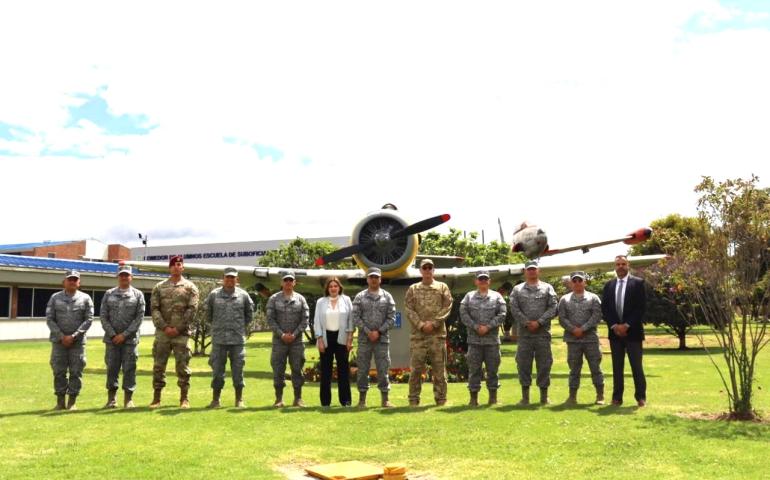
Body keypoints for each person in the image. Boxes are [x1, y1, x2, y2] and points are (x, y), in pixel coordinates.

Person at [149, 255, 199, 409]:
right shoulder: (159, 287)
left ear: (182, 267)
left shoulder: (190, 287)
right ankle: (156, 398)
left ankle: (184, 398)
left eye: (179, 264)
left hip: (181, 334)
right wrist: (164, 327)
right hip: (163, 334)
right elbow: (154, 309)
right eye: (174, 265)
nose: (176, 267)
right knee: (159, 366)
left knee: (183, 366)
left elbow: (192, 309)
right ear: (169, 268)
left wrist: (178, 328)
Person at [404, 258, 453, 406]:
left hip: (437, 336)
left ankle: (441, 398)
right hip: (418, 336)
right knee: (416, 370)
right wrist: (420, 325)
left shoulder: (442, 287)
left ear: (433, 270)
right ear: (420, 271)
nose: (427, 270)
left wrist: (435, 323)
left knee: (439, 369)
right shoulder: (413, 288)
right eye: (424, 268)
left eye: (429, 268)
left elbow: (448, 305)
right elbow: (408, 308)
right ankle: (413, 399)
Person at [509, 260, 558, 405]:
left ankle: (544, 397)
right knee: (523, 364)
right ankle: (525, 397)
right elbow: (514, 308)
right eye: (529, 269)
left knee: (544, 364)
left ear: (538, 271)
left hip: (542, 334)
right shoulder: (517, 290)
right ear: (525, 272)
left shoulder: (548, 288)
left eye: (534, 269)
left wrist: (539, 322)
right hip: (525, 335)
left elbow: (553, 307)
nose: (531, 271)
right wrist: (526, 322)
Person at [205, 267, 255, 408]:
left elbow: (249, 316)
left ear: (237, 279)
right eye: (227, 277)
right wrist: (218, 327)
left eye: (232, 277)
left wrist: (238, 327)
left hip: (237, 340)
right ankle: (216, 400)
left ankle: (239, 400)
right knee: (217, 371)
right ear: (223, 278)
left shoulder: (243, 295)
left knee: (238, 371)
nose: (230, 280)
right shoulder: (214, 295)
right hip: (219, 340)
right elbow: (208, 315)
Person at [602, 255, 648, 406]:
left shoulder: (638, 283)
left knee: (636, 366)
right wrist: (615, 326)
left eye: (623, 264)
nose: (620, 266)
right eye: (618, 264)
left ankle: (640, 397)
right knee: (617, 367)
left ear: (628, 265)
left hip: (633, 333)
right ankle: (617, 398)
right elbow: (606, 309)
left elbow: (640, 308)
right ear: (614, 266)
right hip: (615, 334)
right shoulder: (608, 285)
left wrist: (626, 325)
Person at [46, 269, 94, 411]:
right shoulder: (55, 298)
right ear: (64, 282)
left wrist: (74, 336)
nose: (72, 281)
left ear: (79, 283)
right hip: (59, 342)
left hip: (77, 343)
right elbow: (50, 319)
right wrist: (62, 336)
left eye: (75, 279)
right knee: (58, 371)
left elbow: (89, 319)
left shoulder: (86, 298)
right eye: (70, 279)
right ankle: (60, 401)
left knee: (76, 371)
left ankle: (72, 402)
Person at [100, 265, 145, 409]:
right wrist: (113, 334)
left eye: (127, 275)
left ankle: (128, 399)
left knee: (130, 368)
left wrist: (124, 335)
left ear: (131, 277)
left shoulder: (138, 295)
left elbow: (139, 318)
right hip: (112, 340)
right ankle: (111, 399)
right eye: (122, 275)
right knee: (112, 368)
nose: (124, 277)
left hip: (130, 341)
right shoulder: (109, 294)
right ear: (118, 277)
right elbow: (103, 316)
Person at [459, 271, 507, 406]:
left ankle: (493, 398)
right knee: (474, 370)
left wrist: (488, 326)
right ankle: (473, 399)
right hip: (474, 342)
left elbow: (502, 314)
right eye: (480, 279)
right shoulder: (469, 297)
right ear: (476, 281)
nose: (483, 281)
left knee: (493, 370)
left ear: (489, 281)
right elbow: (463, 313)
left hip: (491, 341)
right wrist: (475, 326)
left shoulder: (497, 297)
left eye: (485, 279)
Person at [352, 267, 396, 408]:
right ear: (367, 279)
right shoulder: (359, 297)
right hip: (364, 340)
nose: (374, 279)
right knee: (363, 370)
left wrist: (379, 331)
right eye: (371, 277)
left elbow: (392, 318)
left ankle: (385, 399)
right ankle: (362, 400)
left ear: (380, 279)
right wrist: (367, 331)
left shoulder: (387, 297)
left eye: (376, 277)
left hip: (382, 340)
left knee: (383, 369)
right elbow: (355, 317)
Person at [558, 271, 605, 405]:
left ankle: (600, 395)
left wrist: (583, 329)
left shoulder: (593, 298)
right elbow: (562, 318)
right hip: (573, 340)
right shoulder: (564, 299)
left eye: (580, 280)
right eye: (575, 281)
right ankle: (572, 397)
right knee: (574, 369)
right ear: (571, 283)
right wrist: (573, 329)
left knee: (595, 367)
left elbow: (596, 316)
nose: (577, 283)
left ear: (585, 282)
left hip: (590, 339)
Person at [266, 271, 309, 407]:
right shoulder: (273, 299)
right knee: (278, 369)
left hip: (296, 341)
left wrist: (294, 334)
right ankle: (279, 399)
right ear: (281, 282)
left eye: (291, 280)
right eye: (286, 280)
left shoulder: (301, 299)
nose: (288, 282)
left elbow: (305, 319)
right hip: (279, 341)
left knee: (297, 368)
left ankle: (298, 398)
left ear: (294, 282)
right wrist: (282, 334)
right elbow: (270, 319)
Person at [314, 277, 354, 407]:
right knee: (326, 371)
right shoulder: (321, 302)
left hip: (342, 338)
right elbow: (317, 322)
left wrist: (349, 338)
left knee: (343, 371)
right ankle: (325, 402)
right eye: (330, 286)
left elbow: (350, 321)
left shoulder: (346, 300)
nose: (333, 288)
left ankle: (346, 401)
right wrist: (319, 339)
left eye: (335, 286)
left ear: (339, 287)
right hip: (326, 338)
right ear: (327, 288)